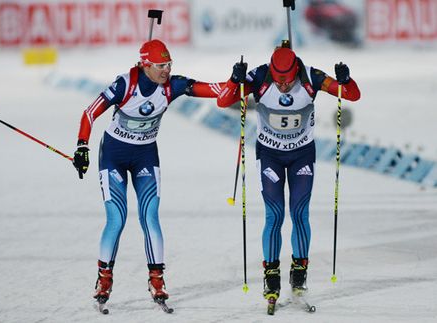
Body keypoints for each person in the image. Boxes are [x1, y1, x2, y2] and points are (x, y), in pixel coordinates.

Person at [72, 39, 224, 309]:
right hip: (113, 157)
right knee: (116, 218)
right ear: (145, 65)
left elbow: (213, 90)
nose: (166, 70)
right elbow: (89, 113)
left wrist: (236, 82)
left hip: (145, 156)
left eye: (169, 64)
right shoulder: (124, 84)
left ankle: (157, 280)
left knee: (150, 217)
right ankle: (104, 279)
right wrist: (82, 146)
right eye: (160, 66)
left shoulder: (172, 86)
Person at [217, 45, 360, 303]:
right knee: (274, 214)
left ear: (296, 71)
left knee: (299, 212)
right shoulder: (260, 76)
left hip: (301, 155)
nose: (283, 87)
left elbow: (351, 95)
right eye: (278, 81)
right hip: (270, 155)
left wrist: (346, 80)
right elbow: (223, 100)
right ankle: (271, 276)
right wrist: (235, 79)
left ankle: (299, 273)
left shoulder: (311, 77)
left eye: (288, 81)